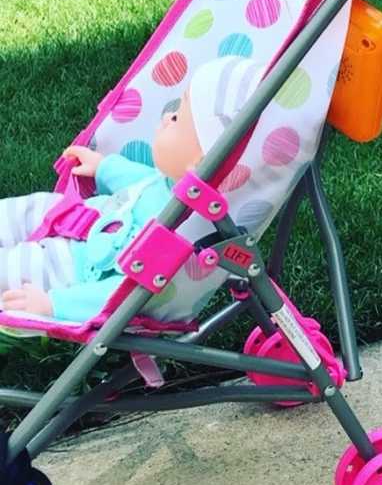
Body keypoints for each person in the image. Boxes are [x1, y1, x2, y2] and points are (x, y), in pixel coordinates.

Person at [0, 56, 263, 323]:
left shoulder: (181, 233)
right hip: (74, 216)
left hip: (71, 266)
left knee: (20, 265)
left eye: (177, 118)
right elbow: (138, 180)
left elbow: (119, 294)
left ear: (201, 162)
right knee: (30, 208)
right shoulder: (166, 184)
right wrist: (104, 167)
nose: (166, 116)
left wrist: (54, 304)